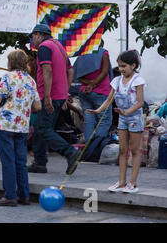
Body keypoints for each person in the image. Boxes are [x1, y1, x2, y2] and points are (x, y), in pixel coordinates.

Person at [0, 50, 41, 206]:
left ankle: (10, 195)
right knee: (20, 161)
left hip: (5, 124)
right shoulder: (31, 81)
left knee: (8, 160)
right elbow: (37, 106)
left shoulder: (7, 78)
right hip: (22, 126)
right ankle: (24, 195)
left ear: (11, 63)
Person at [87, 50, 145, 193]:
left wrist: (127, 112)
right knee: (122, 150)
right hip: (122, 118)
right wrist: (98, 110)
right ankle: (121, 181)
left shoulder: (137, 81)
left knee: (135, 150)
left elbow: (140, 103)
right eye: (119, 66)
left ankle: (132, 183)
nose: (121, 69)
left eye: (124, 66)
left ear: (133, 65)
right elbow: (109, 99)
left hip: (134, 118)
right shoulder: (117, 81)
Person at [27, 24, 81, 175]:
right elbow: (70, 71)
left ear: (38, 34)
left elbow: (47, 71)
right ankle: (39, 163)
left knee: (43, 129)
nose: (33, 40)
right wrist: (65, 93)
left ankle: (69, 152)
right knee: (40, 129)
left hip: (49, 95)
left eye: (33, 37)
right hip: (59, 95)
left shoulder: (44, 47)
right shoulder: (59, 46)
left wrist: (47, 96)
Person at [74, 47, 113, 142]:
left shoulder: (82, 54)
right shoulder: (103, 52)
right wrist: (93, 84)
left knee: (88, 119)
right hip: (101, 92)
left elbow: (79, 77)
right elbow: (104, 72)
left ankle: (89, 147)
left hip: (85, 92)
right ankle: (97, 146)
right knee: (104, 120)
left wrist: (89, 84)